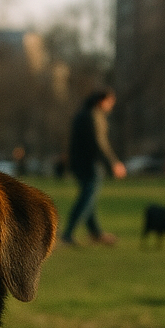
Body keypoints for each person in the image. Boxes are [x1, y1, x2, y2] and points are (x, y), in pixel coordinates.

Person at [60, 89, 125, 246]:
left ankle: (95, 233)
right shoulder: (93, 116)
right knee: (87, 198)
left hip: (79, 163)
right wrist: (113, 163)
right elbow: (99, 143)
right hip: (90, 164)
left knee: (89, 198)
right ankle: (68, 233)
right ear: (101, 101)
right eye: (110, 102)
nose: (111, 106)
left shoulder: (83, 115)